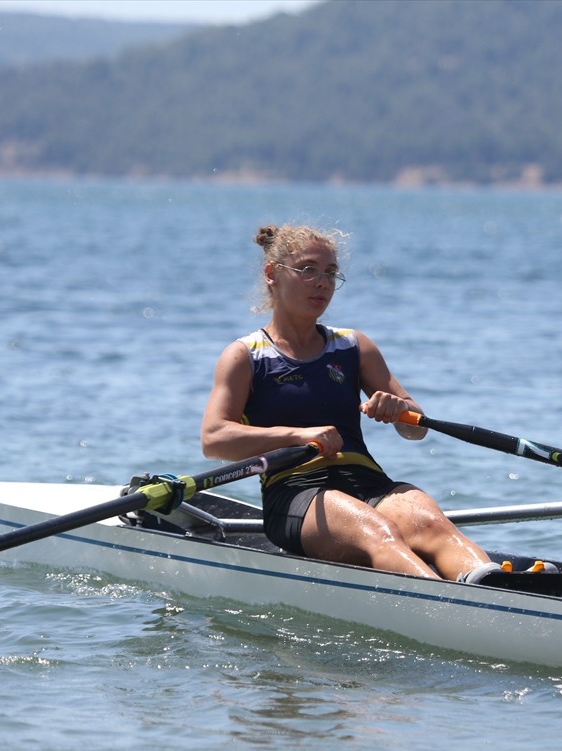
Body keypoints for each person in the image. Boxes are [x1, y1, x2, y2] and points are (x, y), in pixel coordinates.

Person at [201, 224, 504, 583]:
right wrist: (297, 436)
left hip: (368, 481)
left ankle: (497, 587)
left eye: (330, 273)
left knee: (433, 525)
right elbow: (214, 439)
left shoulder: (353, 347)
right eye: (308, 270)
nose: (322, 283)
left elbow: (414, 429)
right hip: (297, 491)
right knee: (379, 532)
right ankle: (453, 609)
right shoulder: (245, 356)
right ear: (272, 274)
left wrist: (397, 410)